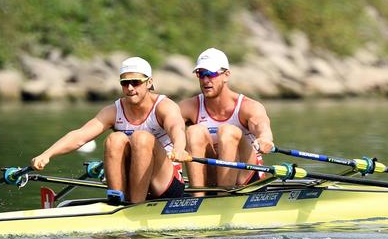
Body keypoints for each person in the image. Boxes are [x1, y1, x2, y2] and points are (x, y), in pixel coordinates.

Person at [31, 56, 188, 204]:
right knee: (115, 139)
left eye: (136, 82)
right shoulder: (114, 110)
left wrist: (179, 149)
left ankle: (135, 206)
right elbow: (80, 136)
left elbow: (177, 128)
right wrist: (47, 154)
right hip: (133, 182)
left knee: (141, 138)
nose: (130, 88)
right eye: (125, 83)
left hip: (165, 184)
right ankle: (117, 200)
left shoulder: (164, 106)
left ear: (149, 82)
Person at [179, 48, 274, 194]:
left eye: (210, 74)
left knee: (227, 131)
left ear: (226, 75)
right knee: (194, 131)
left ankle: (224, 196)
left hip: (246, 178)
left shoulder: (248, 106)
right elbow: (166, 126)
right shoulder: (190, 106)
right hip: (211, 176)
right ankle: (197, 198)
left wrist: (265, 139)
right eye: (201, 74)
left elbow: (261, 125)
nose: (205, 80)